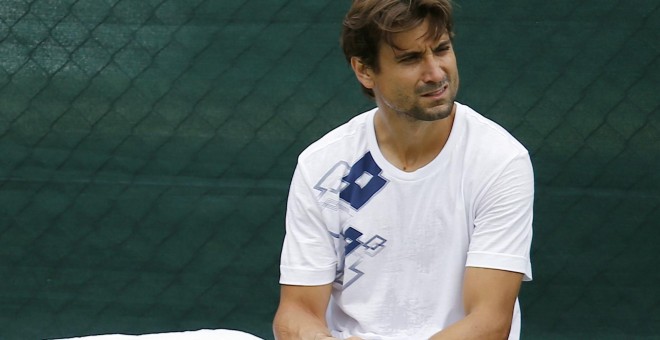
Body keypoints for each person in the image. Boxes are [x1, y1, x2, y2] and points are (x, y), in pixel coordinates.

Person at [273, 0, 534, 339]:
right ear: (365, 71)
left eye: (441, 49)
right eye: (410, 59)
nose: (436, 73)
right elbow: (297, 310)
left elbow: (488, 323)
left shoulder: (499, 160)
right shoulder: (321, 165)